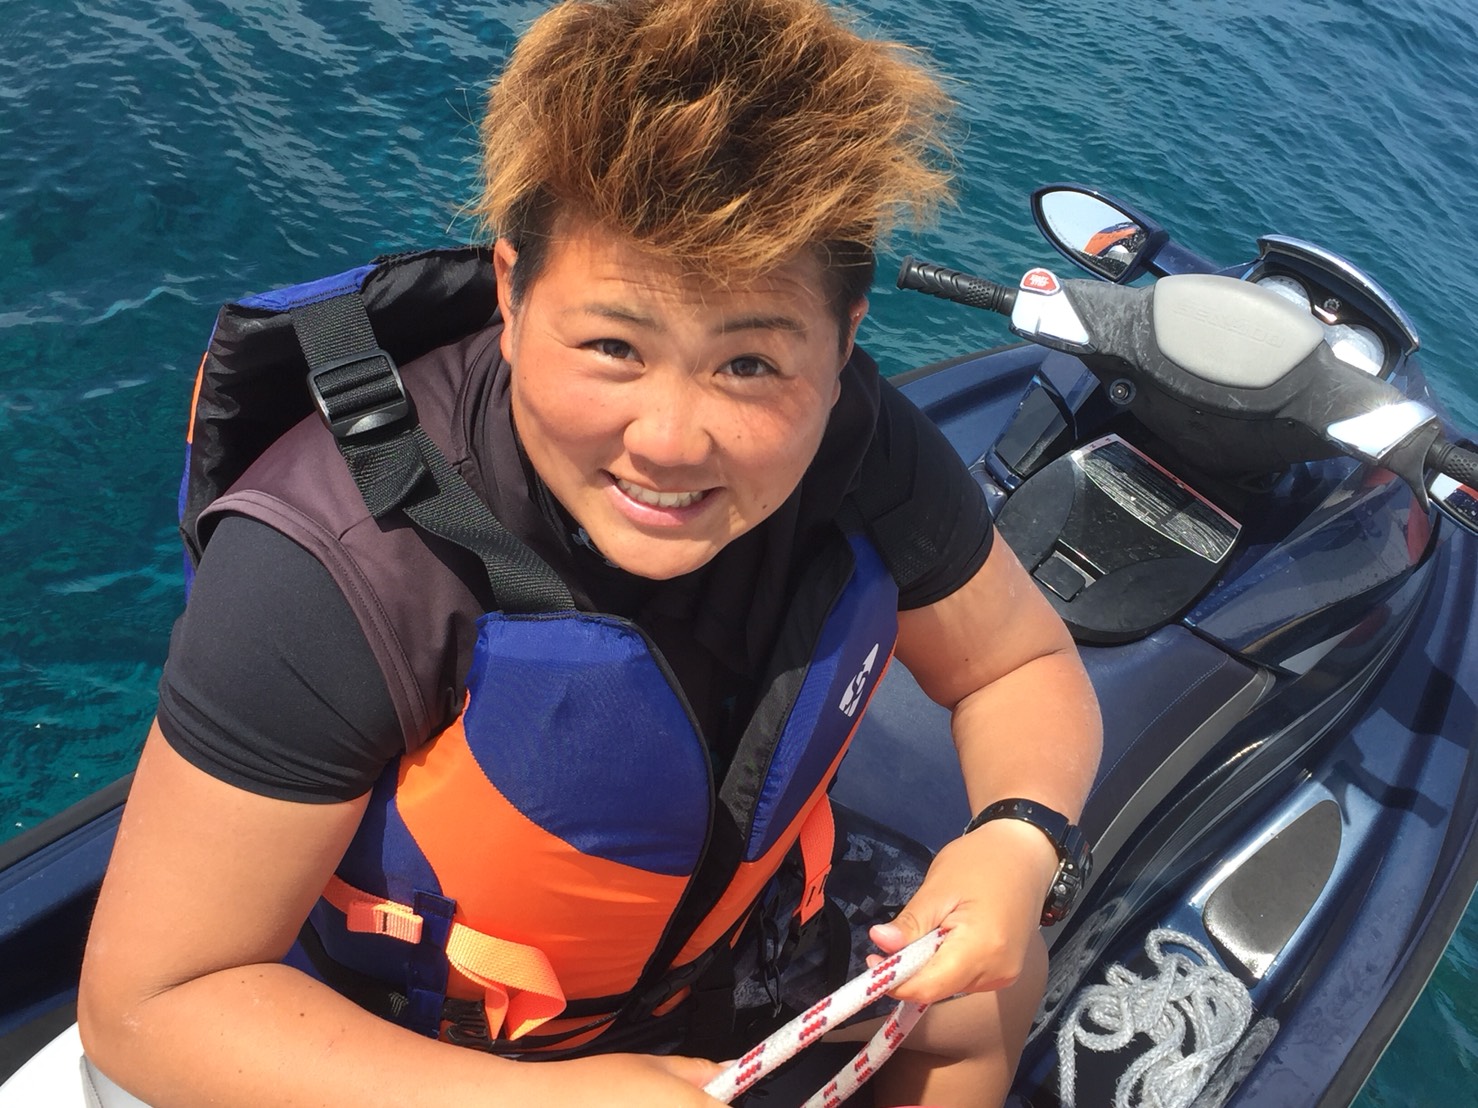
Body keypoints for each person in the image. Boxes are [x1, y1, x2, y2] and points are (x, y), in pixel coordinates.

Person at [77, 1, 1102, 1105]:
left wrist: (1018, 838)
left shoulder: (862, 450)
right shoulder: (331, 560)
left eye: (749, 365)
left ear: (844, 339)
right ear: (511, 292)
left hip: (713, 961)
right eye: (614, 345)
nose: (670, 442)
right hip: (415, 1044)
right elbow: (152, 1003)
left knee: (988, 994)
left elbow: (1016, 664)